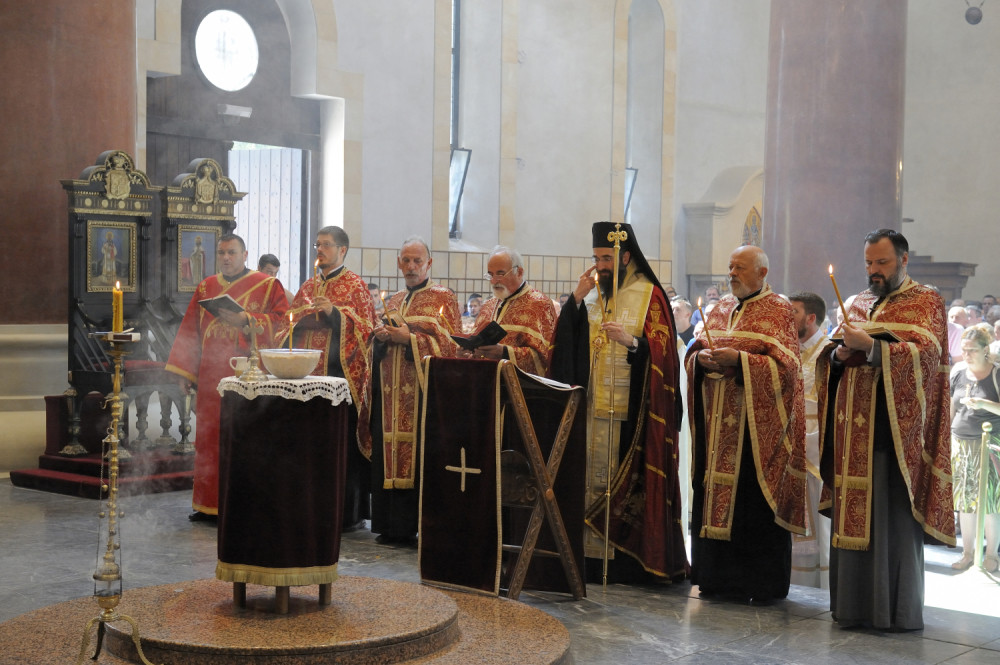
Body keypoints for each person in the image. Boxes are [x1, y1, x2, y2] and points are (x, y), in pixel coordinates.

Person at [816, 228, 955, 631]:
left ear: (903, 260)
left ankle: (892, 613)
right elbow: (832, 357)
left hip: (895, 436)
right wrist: (840, 352)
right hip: (850, 434)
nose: (873, 271)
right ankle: (851, 608)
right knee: (852, 522)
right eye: (868, 264)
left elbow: (928, 357)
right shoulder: (857, 302)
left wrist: (875, 348)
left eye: (882, 263)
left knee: (890, 523)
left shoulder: (926, 300)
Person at [551, 221, 687, 582]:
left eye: (607, 258)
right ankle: (587, 561)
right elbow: (568, 350)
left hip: (633, 418)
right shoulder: (592, 294)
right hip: (591, 411)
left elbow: (665, 359)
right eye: (596, 258)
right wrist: (575, 302)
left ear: (626, 256)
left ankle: (627, 563)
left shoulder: (650, 296)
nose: (600, 266)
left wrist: (632, 343)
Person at [686, 245, 807, 603]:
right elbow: (695, 349)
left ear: (762, 272)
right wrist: (700, 359)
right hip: (716, 426)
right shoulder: (720, 307)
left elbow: (788, 369)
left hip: (755, 432)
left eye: (740, 267)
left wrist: (740, 360)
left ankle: (758, 583)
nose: (732, 273)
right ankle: (716, 578)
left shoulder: (779, 308)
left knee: (750, 505)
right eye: (730, 267)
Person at [166, 233, 288, 521]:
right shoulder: (206, 286)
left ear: (245, 255)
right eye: (221, 253)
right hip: (210, 376)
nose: (226, 258)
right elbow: (189, 331)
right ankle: (208, 504)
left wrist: (248, 320)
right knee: (209, 438)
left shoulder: (268, 285)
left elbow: (284, 323)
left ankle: (243, 506)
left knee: (245, 437)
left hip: (249, 375)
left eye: (232, 252)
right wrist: (185, 371)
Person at [285, 226, 377, 530]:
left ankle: (344, 514)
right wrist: (298, 319)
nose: (319, 250)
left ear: (342, 250)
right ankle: (309, 507)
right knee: (310, 449)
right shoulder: (308, 287)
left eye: (326, 245)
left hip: (340, 384)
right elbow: (286, 327)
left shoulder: (355, 286)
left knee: (339, 452)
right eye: (317, 245)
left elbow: (366, 332)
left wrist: (336, 314)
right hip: (306, 383)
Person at [370, 236, 461, 544]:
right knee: (388, 453)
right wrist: (381, 338)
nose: (410, 266)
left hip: (422, 395)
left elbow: (450, 345)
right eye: (406, 260)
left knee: (419, 455)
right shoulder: (392, 300)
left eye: (417, 261)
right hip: (389, 394)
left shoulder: (443, 298)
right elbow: (375, 346)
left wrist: (409, 339)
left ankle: (414, 524)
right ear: (399, 263)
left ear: (428, 264)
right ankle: (389, 524)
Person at [788, 291, 831, 588]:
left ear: (811, 318)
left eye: (793, 313)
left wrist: (807, 444)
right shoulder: (788, 350)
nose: (786, 319)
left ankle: (822, 587)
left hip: (816, 448)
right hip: (789, 446)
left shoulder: (828, 353)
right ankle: (795, 585)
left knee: (820, 523)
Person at [949, 325, 1000, 572]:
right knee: (965, 501)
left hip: (989, 443)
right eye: (964, 350)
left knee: (989, 500)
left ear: (986, 350)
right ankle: (968, 552)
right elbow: (952, 409)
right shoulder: (959, 374)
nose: (967, 355)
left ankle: (991, 554)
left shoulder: (996, 374)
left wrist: (983, 403)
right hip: (960, 442)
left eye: (972, 351)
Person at [461, 245, 556, 376]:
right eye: (490, 275)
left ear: (520, 272)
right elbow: (475, 341)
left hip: (519, 390)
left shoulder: (539, 304)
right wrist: (467, 352)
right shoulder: (488, 305)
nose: (494, 281)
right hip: (484, 383)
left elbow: (547, 357)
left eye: (500, 274)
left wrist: (505, 353)